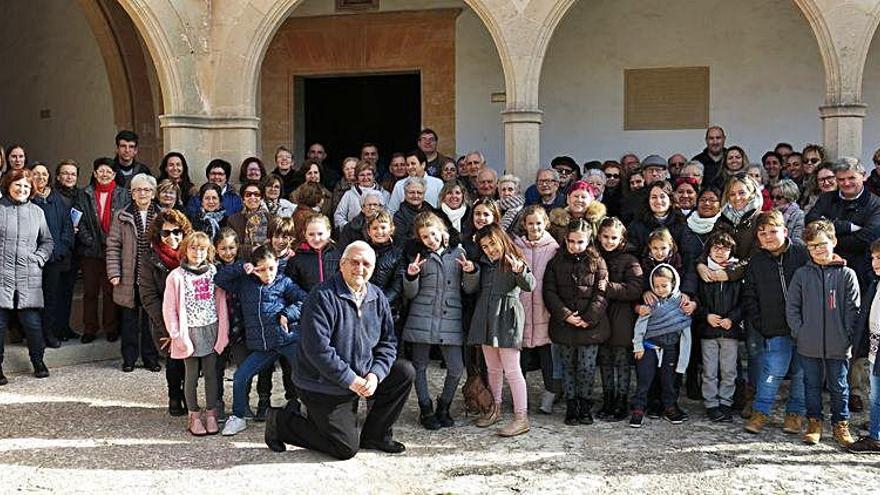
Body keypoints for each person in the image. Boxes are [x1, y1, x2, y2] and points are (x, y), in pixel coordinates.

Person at [265, 241, 415, 459]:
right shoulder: (322, 296)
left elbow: (388, 342)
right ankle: (282, 422)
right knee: (345, 448)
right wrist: (351, 380)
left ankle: (375, 434)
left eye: (366, 264)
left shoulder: (377, 297)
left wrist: (375, 375)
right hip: (323, 383)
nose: (360, 269)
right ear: (342, 264)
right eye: (354, 262)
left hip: (362, 375)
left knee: (404, 372)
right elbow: (318, 350)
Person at [216, 245, 307, 436]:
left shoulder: (284, 282)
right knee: (241, 377)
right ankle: (239, 417)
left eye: (271, 268)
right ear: (255, 268)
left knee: (304, 375)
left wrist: (288, 314)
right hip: (264, 347)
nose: (268, 274)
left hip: (287, 340)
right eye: (262, 269)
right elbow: (220, 279)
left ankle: (311, 412)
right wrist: (243, 268)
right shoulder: (245, 283)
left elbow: (305, 300)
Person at [787, 219, 860, 447]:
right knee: (811, 384)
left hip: (839, 344)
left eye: (822, 244)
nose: (818, 250)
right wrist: (800, 332)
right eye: (812, 246)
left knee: (839, 385)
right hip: (808, 343)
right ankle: (814, 423)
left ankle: (841, 424)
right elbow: (792, 307)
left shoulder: (847, 274)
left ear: (834, 242)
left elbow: (853, 309)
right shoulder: (801, 275)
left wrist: (848, 337)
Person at [742, 210, 808, 436]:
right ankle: (761, 411)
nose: (768, 237)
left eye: (773, 231)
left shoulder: (801, 253)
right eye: (762, 233)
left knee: (801, 373)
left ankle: (795, 413)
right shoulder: (756, 262)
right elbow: (749, 295)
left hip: (805, 327)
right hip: (774, 327)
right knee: (772, 370)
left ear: (785, 231)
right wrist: (760, 322)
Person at [465, 224, 536, 436]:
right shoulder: (485, 264)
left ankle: (521, 417)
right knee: (493, 369)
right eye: (485, 246)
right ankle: (494, 409)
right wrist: (470, 272)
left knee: (512, 370)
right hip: (486, 318)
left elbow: (530, 285)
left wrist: (520, 271)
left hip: (507, 317)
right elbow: (472, 288)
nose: (489, 249)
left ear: (501, 240)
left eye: (492, 244)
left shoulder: (515, 260)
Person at [402, 211, 469, 430]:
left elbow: (469, 288)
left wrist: (471, 272)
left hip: (450, 317)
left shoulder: (459, 252)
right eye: (425, 237)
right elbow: (411, 294)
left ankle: (444, 406)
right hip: (422, 317)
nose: (431, 240)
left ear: (442, 231)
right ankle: (426, 408)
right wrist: (411, 276)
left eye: (433, 234)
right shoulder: (420, 257)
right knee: (419, 366)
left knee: (456, 368)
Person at [543, 219, 610, 426]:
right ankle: (572, 406)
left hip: (590, 327)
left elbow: (602, 292)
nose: (575, 246)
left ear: (588, 240)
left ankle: (585, 405)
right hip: (565, 326)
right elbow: (549, 291)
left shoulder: (597, 261)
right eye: (571, 241)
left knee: (586, 368)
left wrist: (589, 317)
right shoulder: (556, 262)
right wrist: (565, 315)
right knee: (568, 367)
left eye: (580, 242)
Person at [163, 231, 229, 436]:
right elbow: (169, 308)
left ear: (208, 250)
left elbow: (221, 303)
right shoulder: (176, 276)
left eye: (202, 248)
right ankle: (193, 415)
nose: (197, 252)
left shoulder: (213, 272)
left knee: (211, 374)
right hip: (188, 331)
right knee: (191, 375)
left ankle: (211, 412)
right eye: (193, 248)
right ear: (185, 250)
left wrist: (223, 331)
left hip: (210, 328)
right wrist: (176, 335)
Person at [0, 168, 55, 385]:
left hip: (28, 276)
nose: (22, 189)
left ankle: (38, 361)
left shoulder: (37, 212)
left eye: (26, 186)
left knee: (32, 324)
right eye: (18, 185)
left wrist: (38, 259)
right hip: (1, 275)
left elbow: (47, 241)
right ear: (8, 186)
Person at [139, 209, 193, 417]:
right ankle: (174, 396)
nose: (173, 237)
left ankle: (189, 396)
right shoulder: (149, 259)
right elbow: (148, 296)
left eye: (177, 232)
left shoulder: (192, 253)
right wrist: (169, 327)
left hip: (190, 318)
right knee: (173, 360)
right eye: (167, 233)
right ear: (158, 235)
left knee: (190, 360)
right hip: (164, 320)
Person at [106, 173, 162, 373]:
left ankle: (151, 358)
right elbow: (113, 245)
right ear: (132, 193)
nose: (142, 193)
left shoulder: (163, 215)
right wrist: (114, 272)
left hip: (153, 277)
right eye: (138, 189)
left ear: (153, 193)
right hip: (129, 276)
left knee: (151, 319)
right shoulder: (121, 215)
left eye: (146, 190)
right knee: (129, 320)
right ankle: (129, 358)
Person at [630, 264, 692, 428]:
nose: (660, 289)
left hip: (671, 349)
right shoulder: (651, 303)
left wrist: (683, 359)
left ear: (674, 284)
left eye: (664, 286)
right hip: (648, 347)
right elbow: (640, 325)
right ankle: (638, 408)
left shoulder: (680, 304)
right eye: (656, 286)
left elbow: (685, 332)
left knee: (668, 381)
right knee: (644, 379)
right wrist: (638, 346)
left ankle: (670, 407)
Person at [75, 158, 130, 343]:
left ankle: (111, 327)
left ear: (114, 174)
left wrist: (116, 242)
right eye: (101, 171)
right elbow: (78, 219)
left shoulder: (124, 194)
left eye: (108, 171)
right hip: (90, 251)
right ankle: (90, 328)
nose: (104, 174)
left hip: (113, 251)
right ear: (95, 173)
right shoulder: (84, 194)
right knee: (90, 291)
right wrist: (89, 240)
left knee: (109, 291)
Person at [513, 206, 560, 414]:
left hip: (544, 308)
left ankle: (550, 394)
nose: (534, 227)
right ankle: (519, 397)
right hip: (522, 307)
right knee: (521, 355)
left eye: (539, 223)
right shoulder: (516, 246)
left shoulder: (553, 248)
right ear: (524, 224)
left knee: (547, 356)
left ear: (546, 224)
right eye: (530, 223)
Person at [595, 217, 642, 422]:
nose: (609, 241)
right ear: (599, 236)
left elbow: (635, 289)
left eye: (613, 237)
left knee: (622, 362)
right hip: (601, 316)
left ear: (621, 238)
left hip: (622, 317)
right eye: (605, 237)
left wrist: (608, 287)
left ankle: (622, 401)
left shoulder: (630, 260)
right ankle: (608, 399)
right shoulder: (594, 256)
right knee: (605, 361)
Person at [805, 157, 880, 284]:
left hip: (861, 273)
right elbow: (811, 222)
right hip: (826, 269)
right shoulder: (826, 199)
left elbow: (866, 239)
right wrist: (846, 227)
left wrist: (827, 241)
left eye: (851, 178)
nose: (846, 183)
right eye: (841, 179)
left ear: (863, 176)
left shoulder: (876, 204)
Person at [697, 232, 742, 422]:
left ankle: (726, 402)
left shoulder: (736, 273)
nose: (720, 252)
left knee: (729, 370)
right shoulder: (703, 273)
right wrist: (706, 315)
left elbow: (743, 301)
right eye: (716, 248)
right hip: (708, 331)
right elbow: (696, 299)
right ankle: (711, 403)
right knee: (709, 370)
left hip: (730, 331)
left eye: (725, 248)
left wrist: (732, 318)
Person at [30, 163, 74, 349]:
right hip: (33, 260)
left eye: (44, 174)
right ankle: (34, 336)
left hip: (55, 259)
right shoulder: (27, 199)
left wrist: (60, 249)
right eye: (36, 174)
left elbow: (67, 228)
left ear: (49, 177)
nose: (41, 178)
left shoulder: (57, 198)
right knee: (33, 299)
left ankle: (50, 333)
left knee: (52, 297)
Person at [848, 239, 880, 453]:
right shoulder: (876, 282)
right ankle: (877, 429)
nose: (875, 263)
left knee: (877, 396)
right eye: (874, 258)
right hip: (874, 349)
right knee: (875, 395)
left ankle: (876, 437)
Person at [53, 160, 81, 342]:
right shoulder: (52, 196)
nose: (69, 177)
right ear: (58, 176)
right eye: (65, 173)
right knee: (55, 292)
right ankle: (54, 329)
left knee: (68, 291)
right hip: (57, 251)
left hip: (74, 250)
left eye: (73, 174)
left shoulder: (80, 196)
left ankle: (65, 326)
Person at [286, 215, 339, 293]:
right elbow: (290, 285)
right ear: (305, 234)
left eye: (320, 234)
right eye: (311, 234)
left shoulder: (337, 254)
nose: (316, 239)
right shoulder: (297, 257)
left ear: (328, 232)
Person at [547, 180, 606, 246]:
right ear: (568, 199)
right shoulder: (556, 222)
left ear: (591, 200)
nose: (579, 200)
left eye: (583, 197)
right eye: (576, 196)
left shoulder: (600, 222)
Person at [335, 160, 389, 228]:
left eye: (369, 174)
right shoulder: (349, 195)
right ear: (357, 177)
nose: (365, 178)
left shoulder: (385, 194)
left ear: (374, 176)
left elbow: (389, 216)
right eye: (362, 175)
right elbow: (338, 216)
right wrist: (349, 229)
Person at [226, 181, 271, 258]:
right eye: (248, 194)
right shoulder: (233, 220)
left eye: (256, 194)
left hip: (268, 259)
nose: (252, 197)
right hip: (242, 260)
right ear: (243, 199)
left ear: (261, 198)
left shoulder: (271, 219)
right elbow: (231, 246)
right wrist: (252, 249)